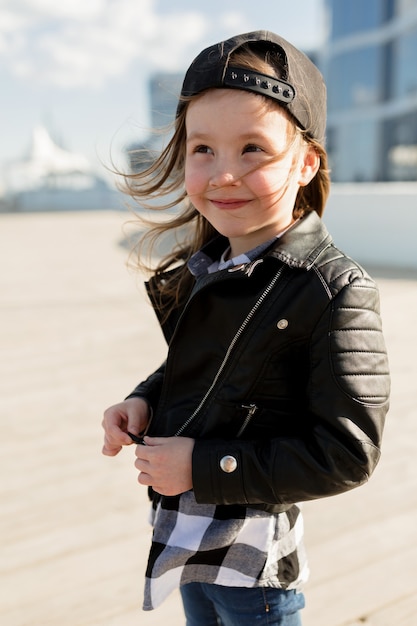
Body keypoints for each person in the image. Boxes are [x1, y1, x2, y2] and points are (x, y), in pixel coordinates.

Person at [102, 30, 390, 626]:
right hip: (187, 541)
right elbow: (208, 365)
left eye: (253, 148)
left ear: (307, 161)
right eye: (203, 149)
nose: (223, 174)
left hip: (253, 562)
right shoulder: (212, 267)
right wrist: (144, 399)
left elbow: (347, 452)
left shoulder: (334, 288)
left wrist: (202, 467)